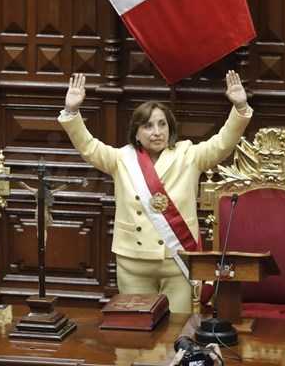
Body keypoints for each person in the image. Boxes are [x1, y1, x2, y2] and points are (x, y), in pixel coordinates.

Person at [58, 71, 252, 313]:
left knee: (178, 327)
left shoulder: (189, 155)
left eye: (162, 124)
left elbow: (223, 143)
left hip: (176, 260)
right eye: (148, 126)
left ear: (170, 129)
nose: (157, 132)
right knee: (137, 327)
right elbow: (88, 147)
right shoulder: (121, 159)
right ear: (136, 133)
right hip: (133, 261)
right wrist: (72, 112)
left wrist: (239, 107)